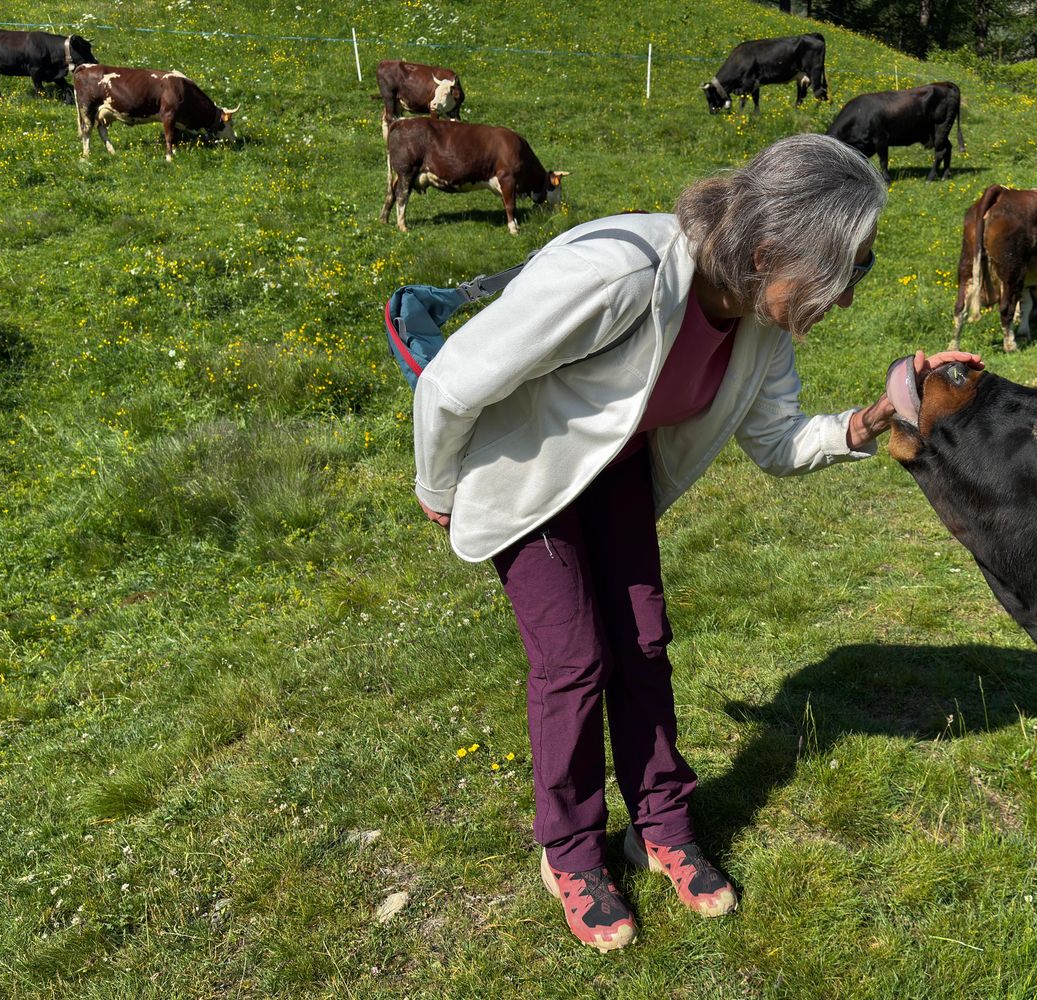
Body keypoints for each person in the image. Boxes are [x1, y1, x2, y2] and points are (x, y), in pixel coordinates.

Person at [413, 133, 982, 952]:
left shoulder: (758, 318)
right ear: (765, 251)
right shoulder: (619, 276)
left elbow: (778, 441)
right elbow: (452, 380)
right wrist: (437, 489)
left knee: (643, 644)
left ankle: (663, 825)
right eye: (838, 271)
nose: (847, 298)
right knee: (573, 661)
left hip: (612, 471)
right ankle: (570, 851)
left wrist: (869, 423)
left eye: (857, 269)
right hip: (523, 473)